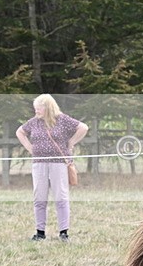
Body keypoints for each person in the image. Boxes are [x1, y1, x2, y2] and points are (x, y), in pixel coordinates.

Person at [16, 94, 89, 243]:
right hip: (39, 163)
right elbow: (20, 132)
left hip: (59, 163)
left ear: (47, 107)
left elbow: (83, 127)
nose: (36, 110)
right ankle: (40, 232)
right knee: (39, 197)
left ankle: (63, 232)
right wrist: (30, 148)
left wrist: (71, 142)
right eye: (35, 108)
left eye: (39, 108)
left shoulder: (62, 120)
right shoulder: (34, 122)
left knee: (61, 197)